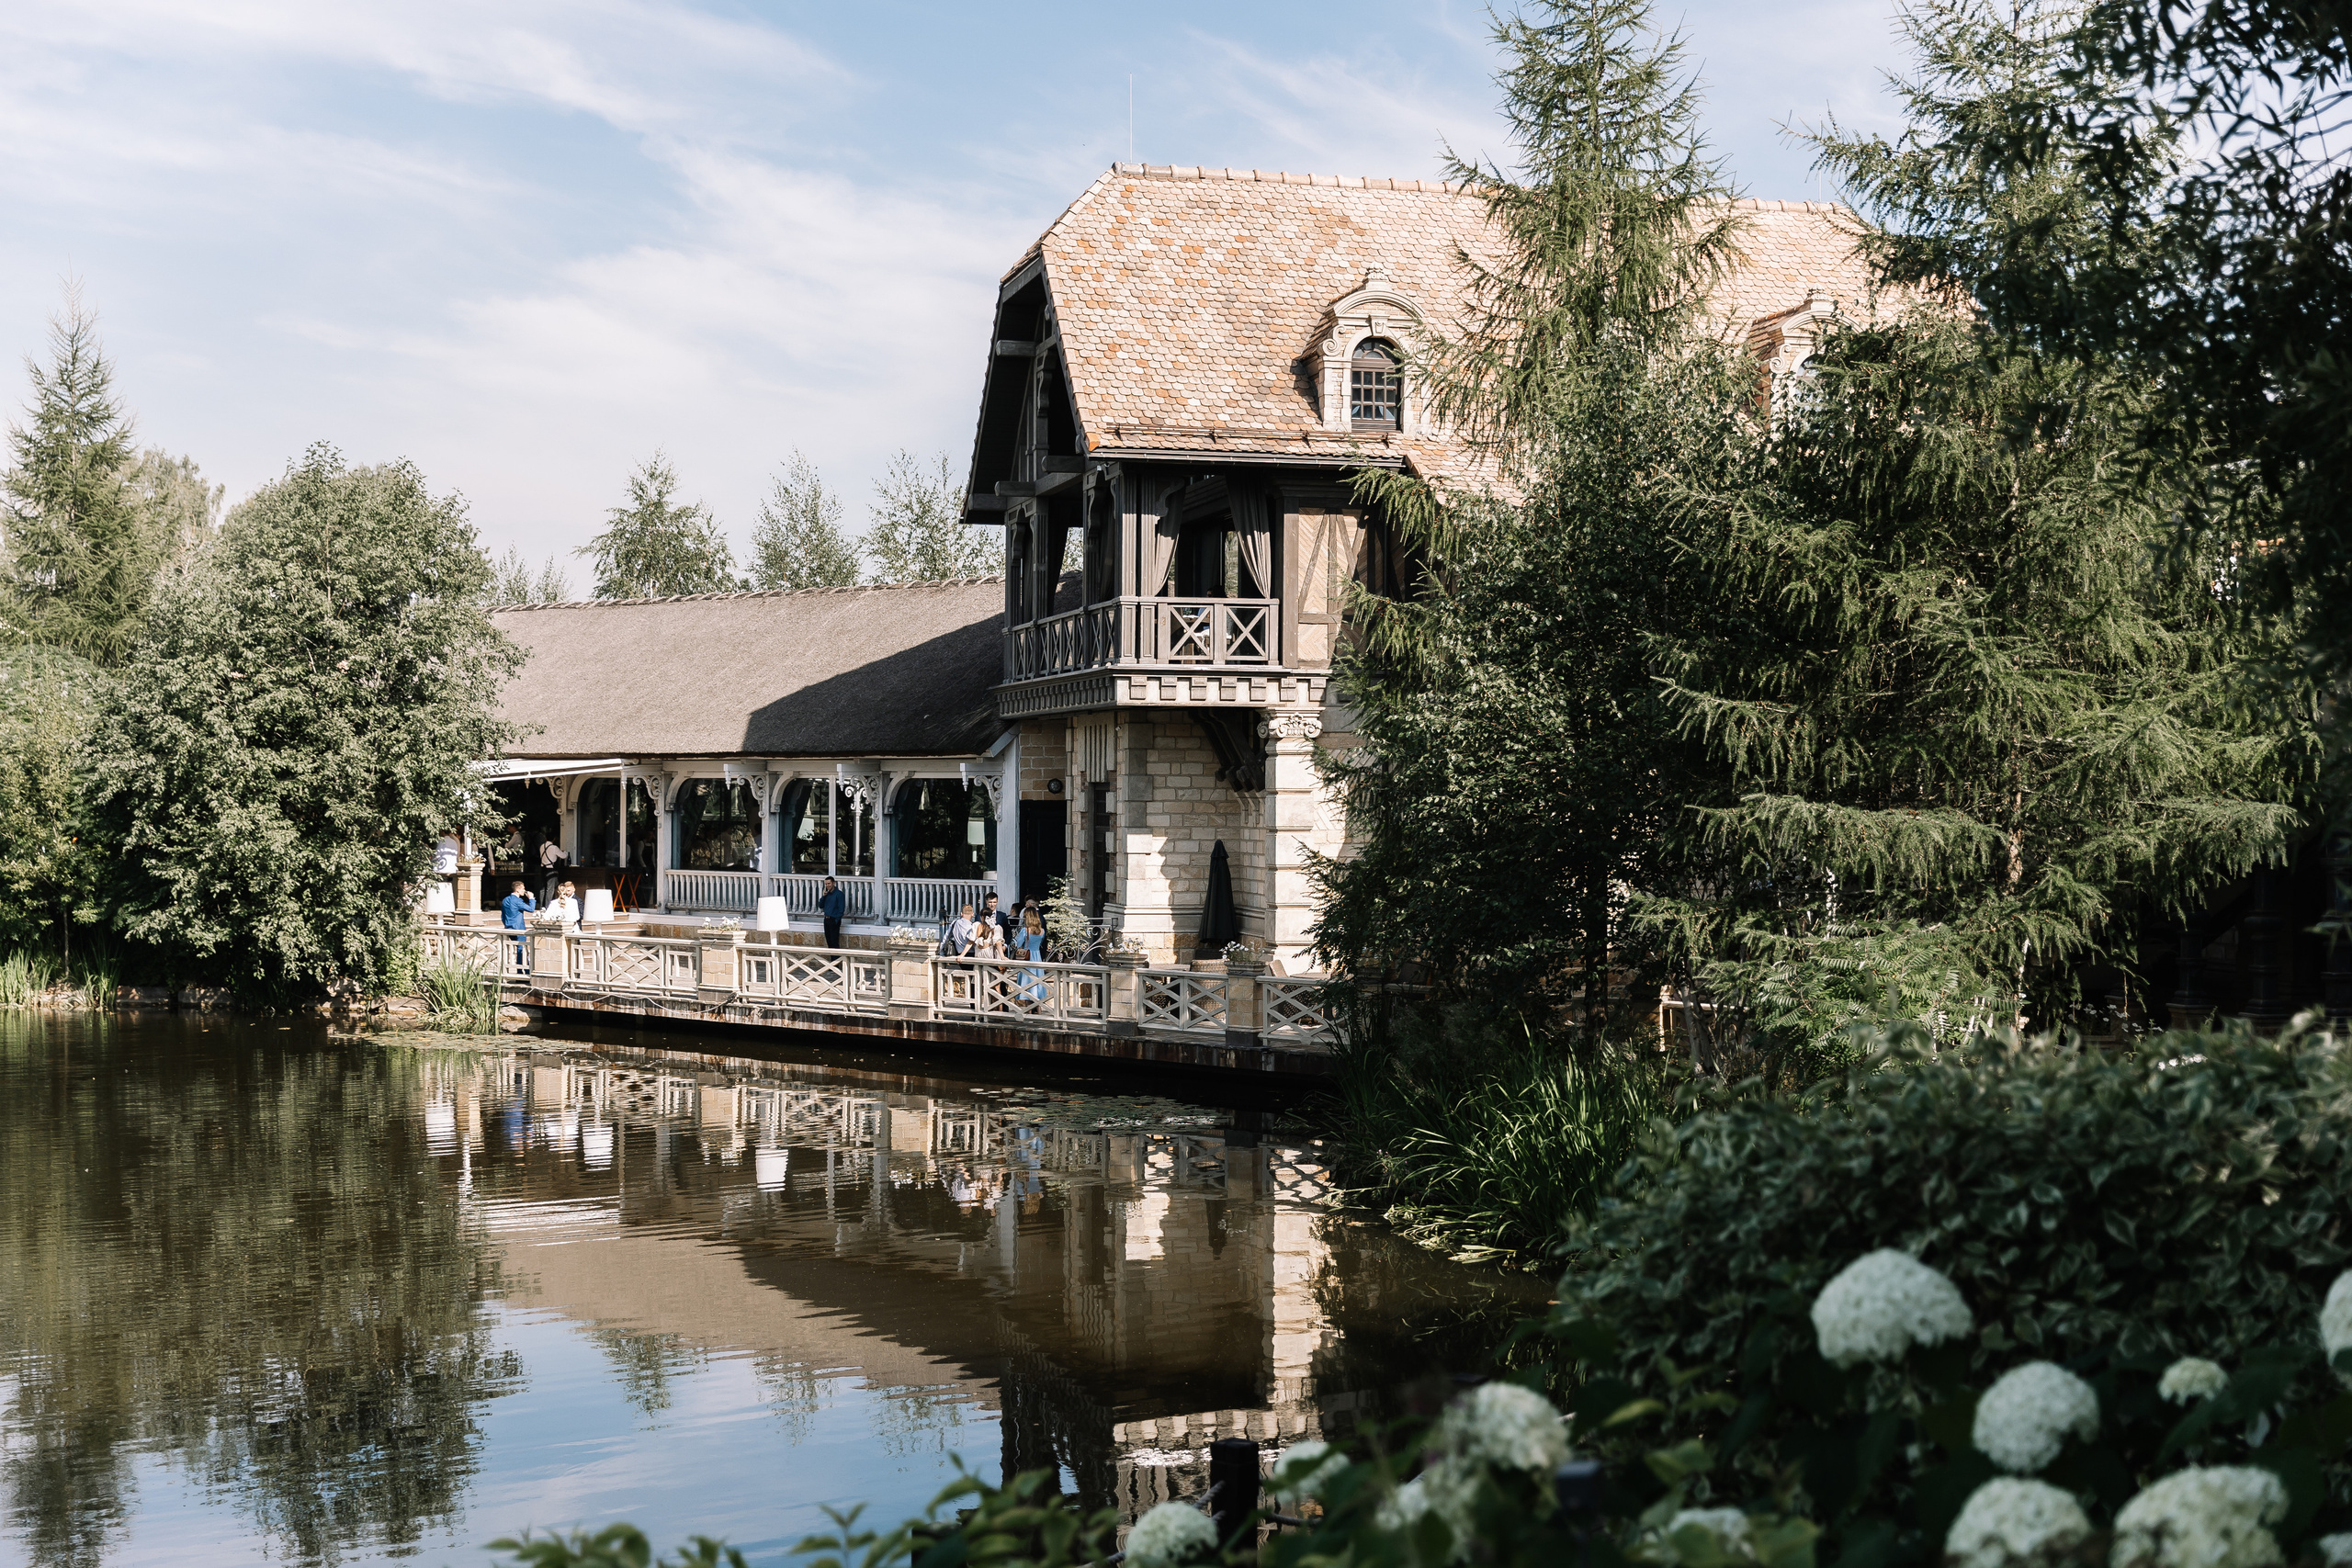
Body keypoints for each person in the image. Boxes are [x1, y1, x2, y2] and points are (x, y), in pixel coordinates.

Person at [1013, 908, 1049, 1005]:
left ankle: (1029, 1012)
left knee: (1027, 984)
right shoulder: (1042, 931)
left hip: (1027, 958)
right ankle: (1039, 1009)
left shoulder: (1025, 931)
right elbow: (1041, 943)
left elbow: (1019, 944)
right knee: (1037, 982)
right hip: (1037, 957)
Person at [499, 879, 536, 965]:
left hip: (508, 927)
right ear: (517, 890)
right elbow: (531, 909)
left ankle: (519, 970)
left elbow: (503, 916)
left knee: (519, 949)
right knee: (521, 949)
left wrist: (506, 924)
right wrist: (531, 899)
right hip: (518, 928)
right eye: (523, 888)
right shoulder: (518, 901)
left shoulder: (505, 900)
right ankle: (522, 971)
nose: (524, 890)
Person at [819, 875, 845, 949]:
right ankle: (832, 960)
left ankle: (836, 960)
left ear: (833, 883)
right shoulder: (826, 894)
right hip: (826, 919)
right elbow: (820, 906)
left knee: (834, 942)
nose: (827, 885)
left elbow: (841, 909)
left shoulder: (839, 894)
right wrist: (823, 896)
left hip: (834, 920)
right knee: (829, 942)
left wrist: (836, 920)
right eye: (826, 884)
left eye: (829, 883)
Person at [538, 835, 566, 902]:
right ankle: (548, 906)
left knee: (543, 888)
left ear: (545, 838)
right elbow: (563, 856)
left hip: (543, 868)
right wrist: (565, 852)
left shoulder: (542, 846)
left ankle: (542, 905)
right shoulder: (554, 848)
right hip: (551, 869)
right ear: (554, 839)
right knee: (550, 889)